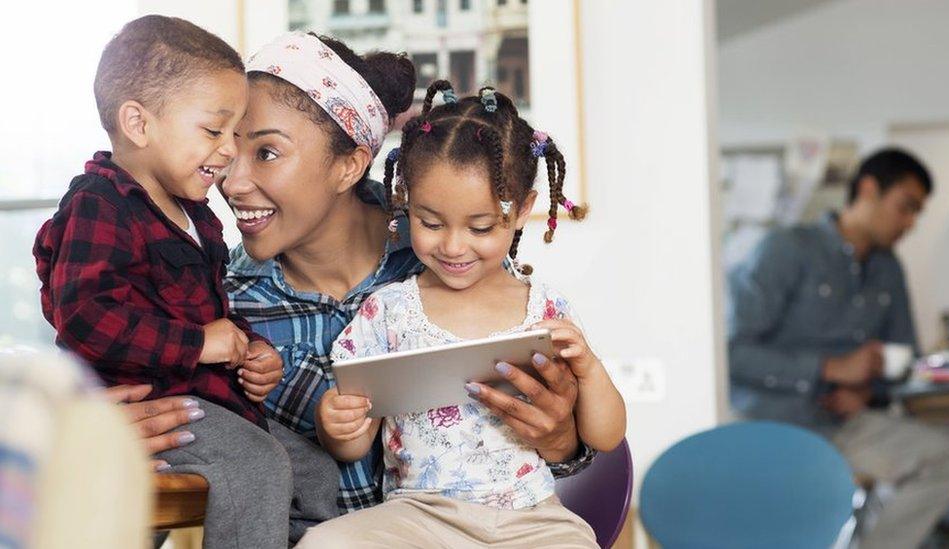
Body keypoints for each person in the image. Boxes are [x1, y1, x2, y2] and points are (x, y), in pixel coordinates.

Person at [222, 32, 597, 530]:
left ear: (350, 164)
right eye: (226, 148)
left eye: (267, 152)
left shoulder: (448, 259)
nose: (231, 181)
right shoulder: (223, 302)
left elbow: (537, 453)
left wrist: (560, 440)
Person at [295, 80, 625, 548]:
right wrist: (337, 426)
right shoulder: (387, 312)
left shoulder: (545, 309)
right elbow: (352, 444)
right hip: (417, 519)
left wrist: (589, 368)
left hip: (530, 518)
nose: (452, 246)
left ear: (522, 210)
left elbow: (607, 437)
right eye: (430, 223)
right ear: (406, 200)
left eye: (481, 226)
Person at [32, 16, 290, 548]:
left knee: (317, 475)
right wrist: (199, 344)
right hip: (147, 404)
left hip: (209, 401)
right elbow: (84, 317)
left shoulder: (196, 217)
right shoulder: (98, 205)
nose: (227, 152)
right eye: (213, 130)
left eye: (234, 134)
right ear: (138, 123)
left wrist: (247, 348)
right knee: (256, 467)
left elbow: (206, 313)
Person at [728, 148, 949, 548]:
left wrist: (867, 391)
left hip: (847, 426)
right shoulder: (786, 249)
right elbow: (733, 354)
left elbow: (905, 359)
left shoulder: (888, 269)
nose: (910, 223)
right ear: (868, 189)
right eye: (906, 207)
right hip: (774, 425)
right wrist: (827, 368)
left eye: (917, 213)